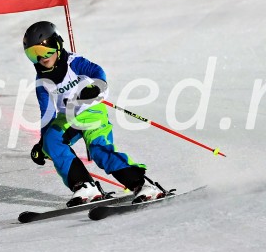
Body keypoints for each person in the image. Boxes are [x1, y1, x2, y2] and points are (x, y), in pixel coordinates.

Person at [23, 21, 163, 207]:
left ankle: (143, 184)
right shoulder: (42, 80)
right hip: (68, 116)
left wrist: (94, 88)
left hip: (91, 111)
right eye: (33, 55)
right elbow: (47, 113)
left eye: (45, 50)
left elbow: (98, 72)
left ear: (57, 44)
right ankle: (84, 185)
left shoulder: (75, 62)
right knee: (52, 142)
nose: (41, 58)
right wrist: (43, 145)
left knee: (99, 151)